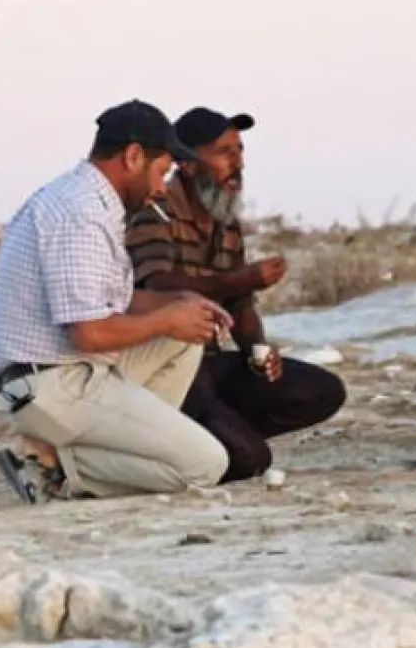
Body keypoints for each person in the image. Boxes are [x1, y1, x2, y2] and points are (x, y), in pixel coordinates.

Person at [0, 100, 233, 503]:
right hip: (50, 386)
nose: (161, 187)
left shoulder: (92, 201)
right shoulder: (79, 214)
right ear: (133, 156)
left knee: (185, 337)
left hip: (65, 373)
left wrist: (181, 302)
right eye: (162, 170)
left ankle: (90, 450)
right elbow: (89, 332)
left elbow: (111, 301)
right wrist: (167, 319)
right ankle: (54, 467)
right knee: (204, 465)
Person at [125, 107, 347, 484]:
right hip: (164, 369)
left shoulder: (225, 221)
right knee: (250, 460)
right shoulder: (155, 212)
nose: (238, 163)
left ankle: (210, 434)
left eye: (240, 151)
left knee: (322, 391)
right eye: (225, 152)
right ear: (189, 164)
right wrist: (238, 280)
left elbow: (240, 302)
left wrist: (257, 353)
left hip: (209, 364)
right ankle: (193, 441)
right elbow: (157, 285)